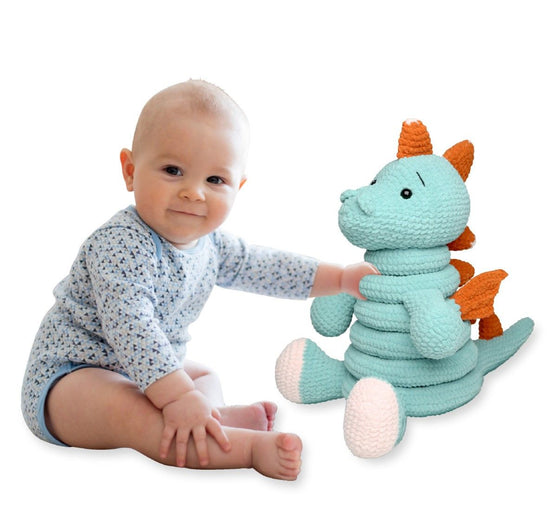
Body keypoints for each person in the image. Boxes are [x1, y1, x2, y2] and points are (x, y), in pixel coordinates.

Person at [21, 80, 378, 480]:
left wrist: (341, 279)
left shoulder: (211, 245)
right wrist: (177, 396)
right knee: (136, 414)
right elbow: (131, 327)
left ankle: (213, 418)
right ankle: (247, 449)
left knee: (204, 376)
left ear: (238, 187)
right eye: (173, 171)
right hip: (70, 378)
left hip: (146, 372)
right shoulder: (121, 243)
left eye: (215, 180)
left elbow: (269, 268)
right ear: (130, 171)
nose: (193, 193)